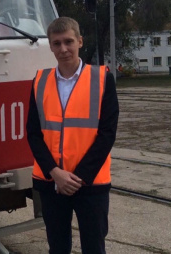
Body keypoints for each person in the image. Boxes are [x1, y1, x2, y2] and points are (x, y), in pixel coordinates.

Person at [26, 17, 119, 254]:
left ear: (80, 41)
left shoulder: (102, 79)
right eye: (56, 43)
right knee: (57, 248)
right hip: (51, 182)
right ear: (50, 46)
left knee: (94, 248)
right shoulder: (39, 81)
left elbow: (107, 134)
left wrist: (77, 178)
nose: (63, 49)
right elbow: (33, 133)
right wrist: (56, 174)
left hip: (90, 182)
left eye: (68, 41)